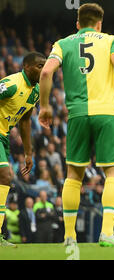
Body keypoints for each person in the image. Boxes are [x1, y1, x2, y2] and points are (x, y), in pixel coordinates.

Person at [38, 3, 114, 247]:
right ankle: (107, 232)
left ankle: (69, 237)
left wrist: (44, 106)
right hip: (107, 113)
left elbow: (45, 73)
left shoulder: (62, 44)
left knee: (74, 175)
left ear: (77, 24)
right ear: (99, 24)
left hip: (76, 115)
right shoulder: (110, 40)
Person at [0, 51, 46, 247]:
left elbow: (25, 121)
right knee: (5, 176)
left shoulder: (35, 91)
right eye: (39, 66)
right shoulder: (11, 84)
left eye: (44, 66)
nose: (43, 70)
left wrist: (29, 153)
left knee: (4, 179)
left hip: (4, 137)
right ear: (26, 66)